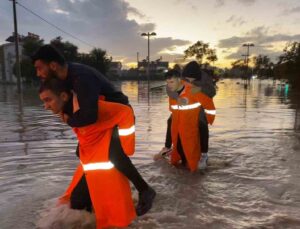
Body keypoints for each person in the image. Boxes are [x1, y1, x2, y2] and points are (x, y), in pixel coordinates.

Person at [32, 45, 155, 216]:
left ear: (52, 65)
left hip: (118, 115)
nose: (38, 73)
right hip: (100, 120)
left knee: (113, 153)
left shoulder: (81, 78)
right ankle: (93, 198)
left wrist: (69, 120)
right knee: (81, 152)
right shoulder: (64, 77)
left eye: (39, 68)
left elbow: (89, 117)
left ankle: (145, 189)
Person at [39, 78, 137, 228]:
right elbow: (87, 130)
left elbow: (125, 112)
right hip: (92, 163)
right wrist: (81, 146)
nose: (45, 106)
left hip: (106, 163)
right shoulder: (68, 111)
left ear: (64, 96)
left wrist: (126, 147)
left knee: (80, 205)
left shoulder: (90, 107)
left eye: (48, 100)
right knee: (77, 204)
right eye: (43, 101)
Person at [155, 62, 216, 170]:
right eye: (188, 79)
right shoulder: (178, 78)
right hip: (182, 105)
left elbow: (212, 92)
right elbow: (169, 89)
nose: (190, 81)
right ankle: (167, 147)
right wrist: (177, 98)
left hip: (199, 104)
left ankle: (204, 154)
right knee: (171, 121)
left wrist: (198, 89)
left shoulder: (205, 77)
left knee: (202, 123)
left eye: (193, 79)